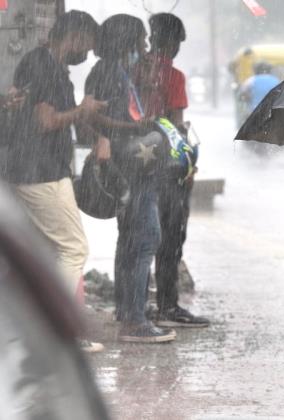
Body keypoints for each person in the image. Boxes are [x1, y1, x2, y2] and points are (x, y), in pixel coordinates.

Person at [7, 10, 106, 353]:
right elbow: (45, 122)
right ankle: (60, 334)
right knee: (73, 248)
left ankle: (33, 329)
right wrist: (82, 110)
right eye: (88, 45)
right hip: (42, 172)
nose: (88, 54)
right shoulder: (45, 66)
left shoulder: (42, 62)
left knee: (48, 251)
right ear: (75, 35)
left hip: (32, 168)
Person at [85, 14, 175, 343]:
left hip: (134, 166)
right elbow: (98, 117)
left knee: (131, 240)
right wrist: (134, 128)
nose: (146, 44)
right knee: (145, 239)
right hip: (132, 167)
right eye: (141, 37)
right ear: (126, 40)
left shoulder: (116, 70)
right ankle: (135, 322)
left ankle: (128, 310)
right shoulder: (109, 72)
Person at [136, 12, 209, 328]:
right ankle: (168, 306)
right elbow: (176, 126)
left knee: (137, 237)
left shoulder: (136, 68)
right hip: (167, 168)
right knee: (170, 237)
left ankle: (134, 307)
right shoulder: (173, 75)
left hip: (136, 163)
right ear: (174, 41)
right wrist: (188, 165)